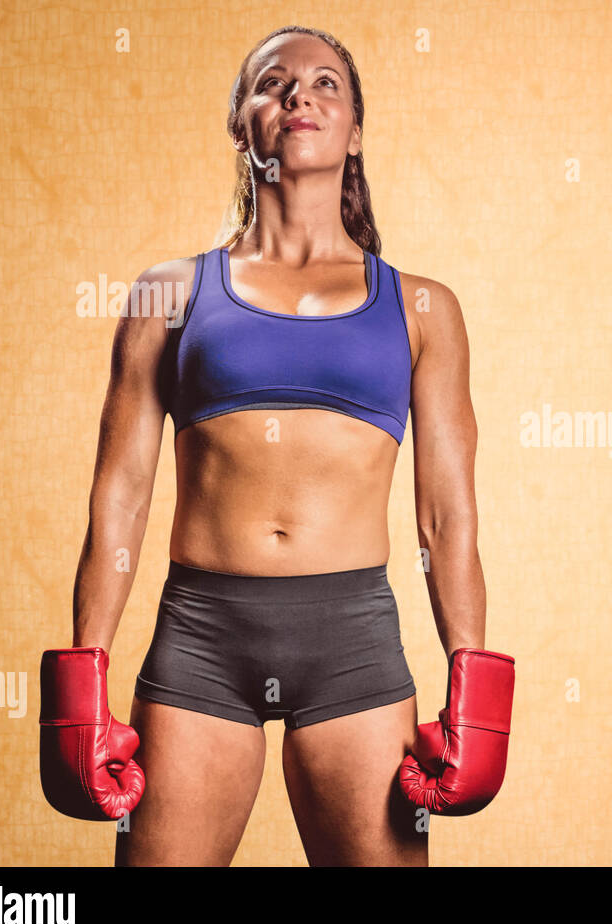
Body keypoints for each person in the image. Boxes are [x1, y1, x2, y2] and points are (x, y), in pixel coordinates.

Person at [37, 25, 515, 866]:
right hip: (201, 640)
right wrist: (84, 676)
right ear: (240, 124)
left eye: (327, 83)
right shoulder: (169, 294)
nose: (300, 96)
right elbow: (121, 495)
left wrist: (473, 681)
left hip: (353, 646)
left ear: (356, 130)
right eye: (274, 83)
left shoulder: (423, 308)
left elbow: (446, 517)